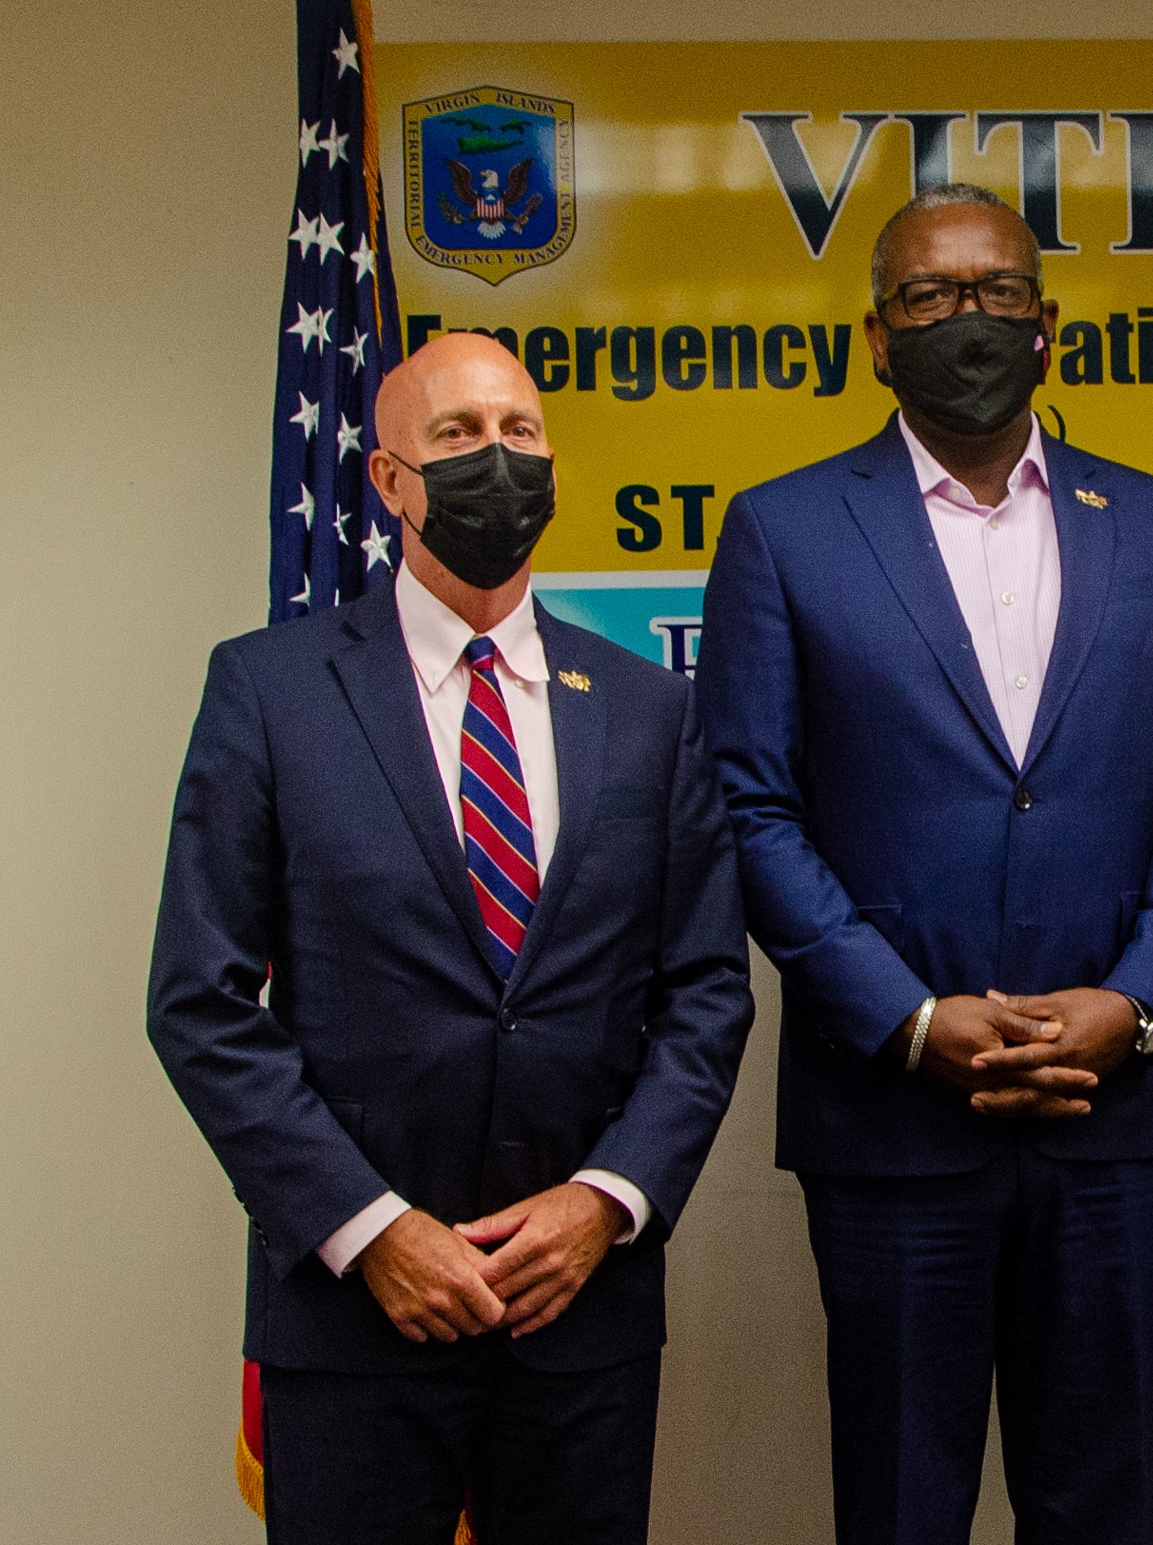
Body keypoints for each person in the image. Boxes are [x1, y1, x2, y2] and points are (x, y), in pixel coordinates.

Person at [697, 182, 1153, 1545]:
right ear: (876, 336)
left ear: (1049, 327)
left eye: (999, 292)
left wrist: (1134, 1006)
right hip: (892, 1124)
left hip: (1109, 1119)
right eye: (932, 297)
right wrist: (906, 1017)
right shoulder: (784, 531)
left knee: (1100, 1502)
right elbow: (748, 804)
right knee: (902, 1507)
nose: (970, 320)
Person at [147, 331, 754, 1545]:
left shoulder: (651, 711)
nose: (499, 460)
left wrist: (608, 1197)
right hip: (356, 1312)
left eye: (521, 433)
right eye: (459, 436)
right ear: (386, 480)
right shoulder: (268, 691)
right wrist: (373, 1230)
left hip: (580, 1309)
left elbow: (704, 994)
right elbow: (199, 999)